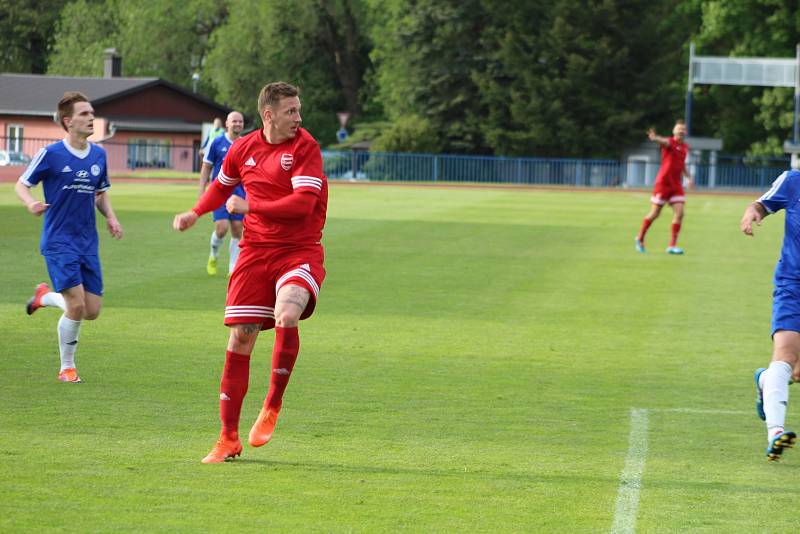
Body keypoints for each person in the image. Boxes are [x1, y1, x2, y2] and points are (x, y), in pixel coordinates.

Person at [173, 81, 328, 463]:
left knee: (287, 311)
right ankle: (228, 438)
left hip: (298, 250)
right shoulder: (244, 149)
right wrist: (195, 212)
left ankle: (272, 403)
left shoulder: (305, 147)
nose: (299, 117)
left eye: (299, 109)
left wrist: (251, 206)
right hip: (255, 252)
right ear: (269, 114)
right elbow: (221, 188)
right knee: (240, 337)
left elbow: (302, 206)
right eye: (291, 111)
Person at [15, 91, 123, 383]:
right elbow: (22, 184)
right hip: (58, 240)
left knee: (91, 311)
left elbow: (100, 193)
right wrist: (31, 203)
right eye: (85, 114)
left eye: (92, 113)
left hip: (88, 241)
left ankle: (45, 297)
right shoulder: (51, 154)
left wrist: (111, 217)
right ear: (68, 120)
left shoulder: (99, 154)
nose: (91, 118)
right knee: (76, 306)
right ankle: (67, 368)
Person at [742, 170, 800, 460]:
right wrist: (752, 213)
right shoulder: (793, 180)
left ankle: (766, 380)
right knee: (786, 357)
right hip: (793, 283)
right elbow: (760, 204)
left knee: (797, 371)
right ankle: (776, 432)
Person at [635, 120, 695, 254]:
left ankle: (672, 246)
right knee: (655, 213)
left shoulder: (685, 147)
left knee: (680, 213)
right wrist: (655, 138)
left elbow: (682, 165)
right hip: (663, 184)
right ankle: (640, 238)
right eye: (679, 129)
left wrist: (689, 178)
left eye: (683, 129)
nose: (681, 131)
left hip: (676, 185)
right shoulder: (669, 142)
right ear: (674, 131)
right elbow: (663, 141)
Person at [198, 111, 246, 276]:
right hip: (219, 193)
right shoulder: (216, 142)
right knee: (221, 228)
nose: (237, 124)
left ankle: (233, 268)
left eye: (240, 122)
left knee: (237, 229)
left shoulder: (246, 144)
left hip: (240, 193)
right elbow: (206, 168)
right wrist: (202, 191)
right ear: (227, 123)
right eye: (234, 121)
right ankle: (214, 254)